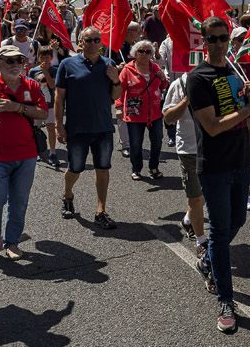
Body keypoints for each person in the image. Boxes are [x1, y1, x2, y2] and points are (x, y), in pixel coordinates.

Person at [186, 16, 250, 333]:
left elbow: (244, 112)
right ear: (204, 41)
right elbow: (213, 127)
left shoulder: (235, 70)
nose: (219, 44)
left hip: (239, 161)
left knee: (239, 221)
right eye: (213, 39)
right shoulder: (197, 78)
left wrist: (249, 99)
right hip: (215, 165)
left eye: (223, 38)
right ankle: (226, 301)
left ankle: (209, 260)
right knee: (219, 231)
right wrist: (248, 108)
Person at [54, 26, 122, 231]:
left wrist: (116, 79)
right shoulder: (67, 64)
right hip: (77, 128)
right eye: (88, 40)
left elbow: (117, 96)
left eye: (96, 40)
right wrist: (59, 125)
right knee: (75, 168)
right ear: (80, 43)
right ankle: (67, 194)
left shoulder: (109, 64)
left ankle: (100, 211)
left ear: (101, 42)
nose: (93, 43)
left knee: (103, 169)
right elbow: (59, 98)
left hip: (103, 127)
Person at [0, 47, 46, 262]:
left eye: (19, 59)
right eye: (9, 61)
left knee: (19, 201)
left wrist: (17, 107)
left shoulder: (32, 85)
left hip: (26, 154)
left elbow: (43, 113)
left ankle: (13, 242)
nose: (15, 64)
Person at [162, 70, 207, 259]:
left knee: (206, 194)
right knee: (195, 198)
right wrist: (187, 99)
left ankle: (188, 219)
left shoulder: (219, 79)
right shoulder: (179, 84)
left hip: (214, 148)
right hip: (189, 149)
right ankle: (202, 241)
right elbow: (168, 118)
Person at [119, 40, 167, 181]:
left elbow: (163, 86)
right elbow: (120, 90)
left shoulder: (155, 68)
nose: (144, 54)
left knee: (157, 141)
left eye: (148, 52)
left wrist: (163, 79)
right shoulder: (127, 69)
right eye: (141, 51)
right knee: (135, 143)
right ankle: (136, 169)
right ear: (135, 53)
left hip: (155, 112)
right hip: (135, 113)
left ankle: (154, 167)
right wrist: (118, 107)